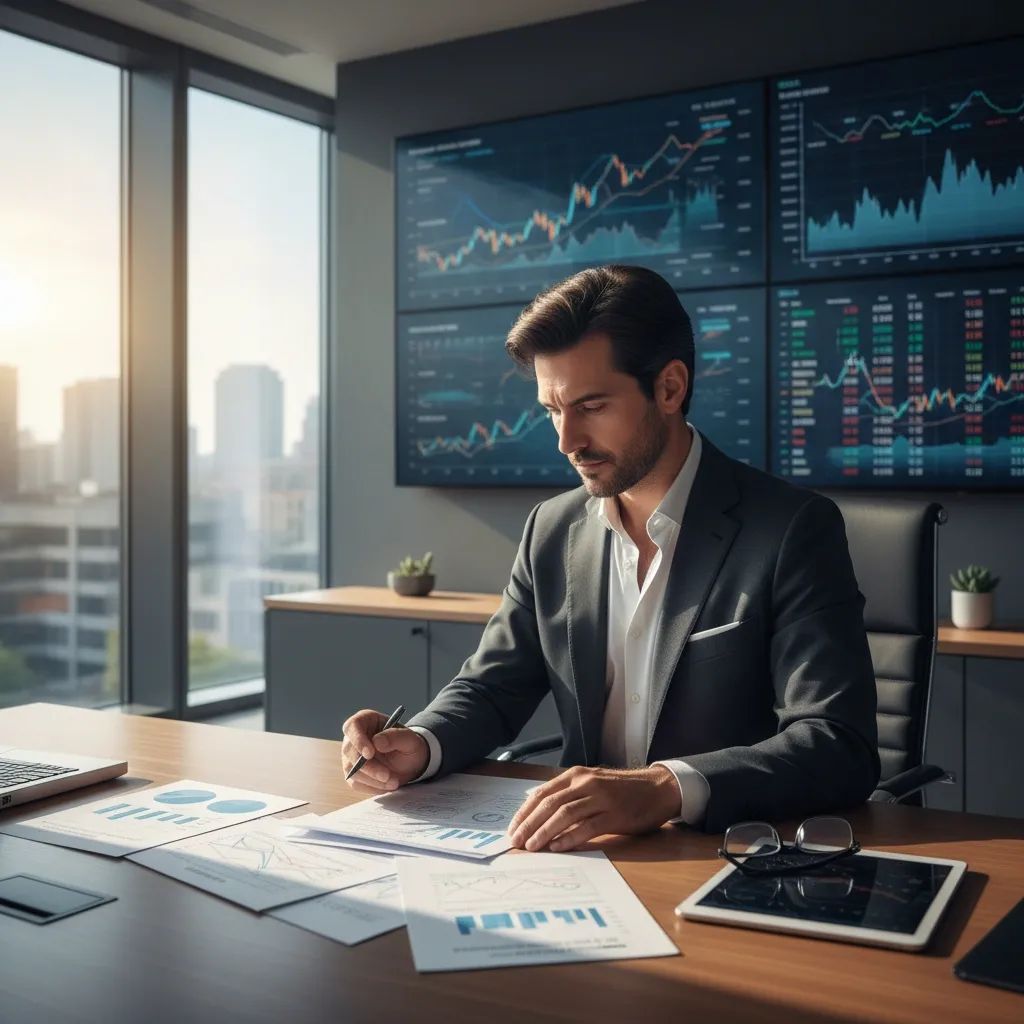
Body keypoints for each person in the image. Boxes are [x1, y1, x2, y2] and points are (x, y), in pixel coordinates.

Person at [342, 264, 879, 848]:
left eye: (591, 406)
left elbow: (837, 742)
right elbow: (493, 687)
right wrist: (421, 744)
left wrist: (663, 788)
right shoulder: (552, 527)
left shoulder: (791, 529)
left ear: (670, 388)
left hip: (724, 853)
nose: (565, 440)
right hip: (582, 855)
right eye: (553, 409)